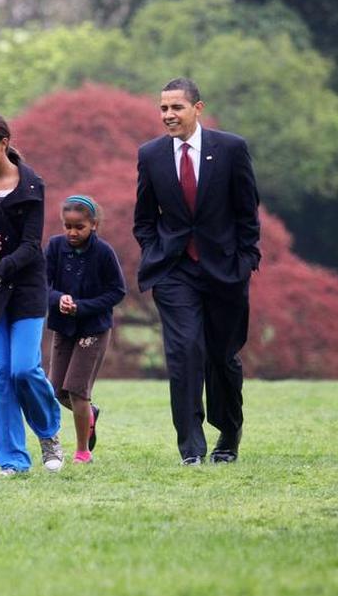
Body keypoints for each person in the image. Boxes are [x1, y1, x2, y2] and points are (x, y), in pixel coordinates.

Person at [132, 77, 261, 465]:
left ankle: (229, 432)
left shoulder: (231, 149)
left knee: (222, 356)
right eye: (163, 108)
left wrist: (245, 260)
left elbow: (246, 213)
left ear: (197, 109)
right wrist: (156, 253)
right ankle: (190, 446)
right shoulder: (150, 155)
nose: (168, 115)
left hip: (224, 271)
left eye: (176, 108)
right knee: (184, 352)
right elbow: (143, 219)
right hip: (173, 271)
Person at [0, 111, 64, 477]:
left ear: (4, 143)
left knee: (23, 369)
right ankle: (14, 461)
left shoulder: (32, 185)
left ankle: (49, 433)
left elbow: (32, 248)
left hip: (26, 291)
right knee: (0, 376)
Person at [45, 195, 126, 464]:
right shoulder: (55, 247)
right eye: (67, 226)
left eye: (79, 227)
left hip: (93, 329)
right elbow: (41, 286)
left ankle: (83, 452)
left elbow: (117, 291)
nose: (72, 232)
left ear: (94, 224)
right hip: (63, 328)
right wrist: (59, 299)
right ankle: (90, 413)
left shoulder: (104, 253)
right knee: (57, 391)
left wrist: (82, 307)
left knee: (77, 390)